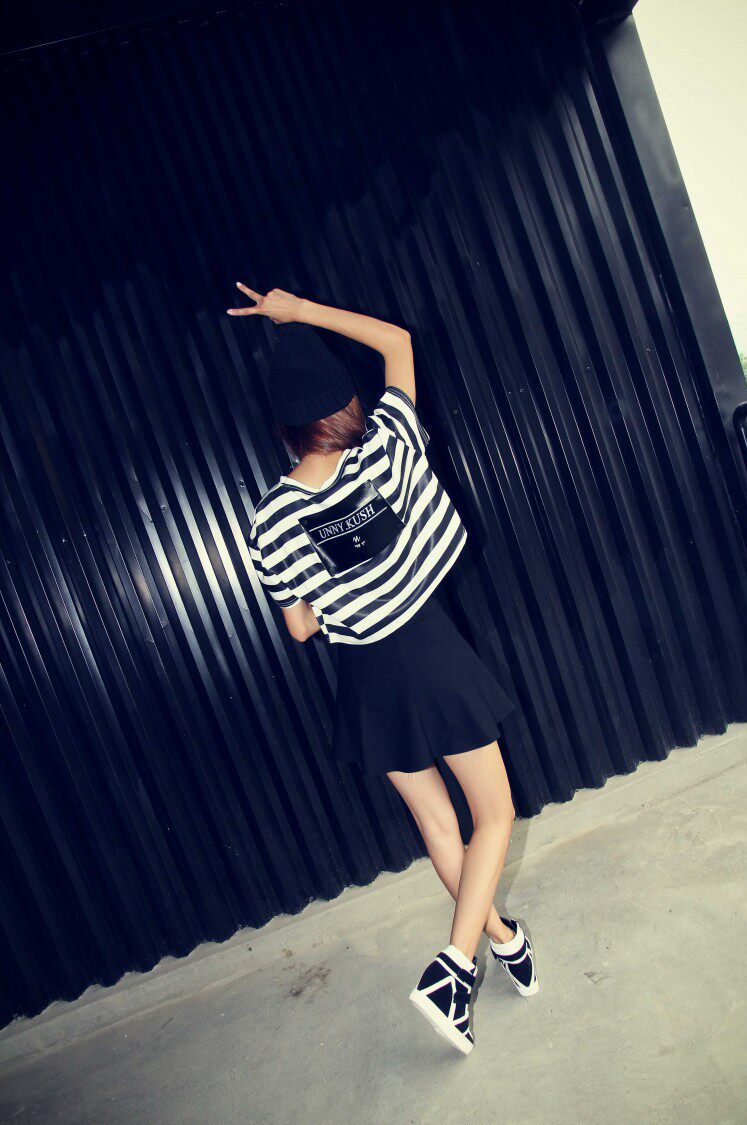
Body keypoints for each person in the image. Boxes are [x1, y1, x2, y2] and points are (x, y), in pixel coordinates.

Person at [227, 284, 539, 1055]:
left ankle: (503, 938)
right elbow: (397, 340)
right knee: (495, 814)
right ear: (346, 402)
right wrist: (299, 312)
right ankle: (455, 965)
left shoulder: (269, 517)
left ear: (285, 426)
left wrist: (331, 590)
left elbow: (300, 626)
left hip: (365, 679)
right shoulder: (388, 447)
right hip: (429, 650)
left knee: (438, 824)